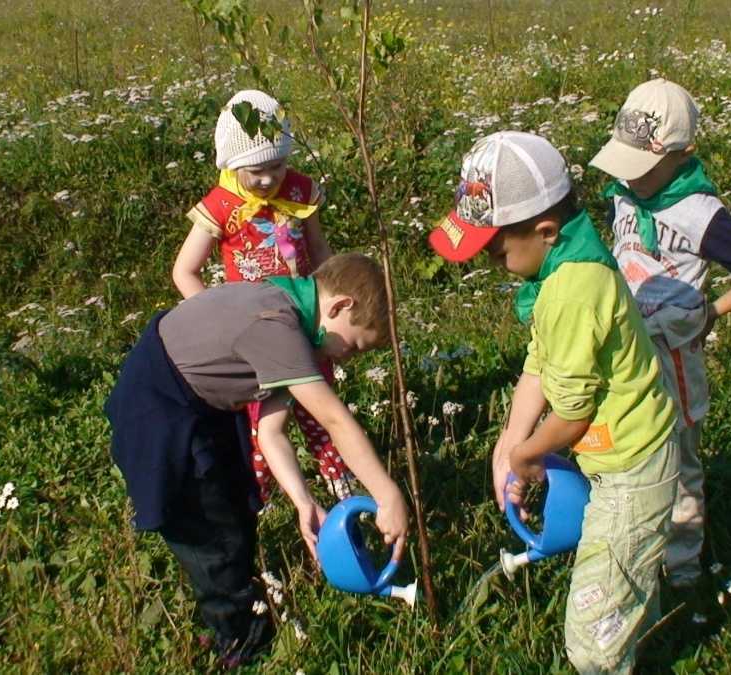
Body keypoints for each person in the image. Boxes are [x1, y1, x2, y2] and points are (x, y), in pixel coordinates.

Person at [428, 131, 678, 673]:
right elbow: (539, 365)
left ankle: (609, 657)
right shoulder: (563, 267)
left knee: (591, 641)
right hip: (622, 461)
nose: (489, 262)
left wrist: (526, 458)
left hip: (633, 473)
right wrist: (509, 442)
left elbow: (571, 416)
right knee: (625, 583)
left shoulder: (571, 292)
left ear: (544, 231)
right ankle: (639, 639)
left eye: (494, 250)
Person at [105, 253, 409, 665]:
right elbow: (335, 421)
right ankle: (241, 645)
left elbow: (271, 430)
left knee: (237, 503)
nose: (346, 358)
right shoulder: (276, 324)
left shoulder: (287, 307)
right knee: (209, 533)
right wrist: (387, 494)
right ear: (340, 306)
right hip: (158, 410)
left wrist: (303, 501)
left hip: (200, 404)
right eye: (354, 346)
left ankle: (239, 614)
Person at [589, 78, 731, 588]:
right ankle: (630, 540)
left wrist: (711, 312)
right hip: (626, 348)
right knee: (630, 445)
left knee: (678, 456)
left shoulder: (699, 213)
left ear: (684, 153)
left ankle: (682, 567)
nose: (634, 177)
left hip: (672, 354)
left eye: (646, 167)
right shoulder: (624, 196)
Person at [171, 89, 354, 501]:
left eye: (277, 165)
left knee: (323, 411)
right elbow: (185, 270)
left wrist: (333, 298)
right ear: (233, 165)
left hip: (306, 323)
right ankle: (261, 499)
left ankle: (343, 489)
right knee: (263, 424)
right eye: (256, 171)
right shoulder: (222, 205)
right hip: (255, 337)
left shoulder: (300, 191)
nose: (269, 178)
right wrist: (216, 318)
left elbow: (320, 249)